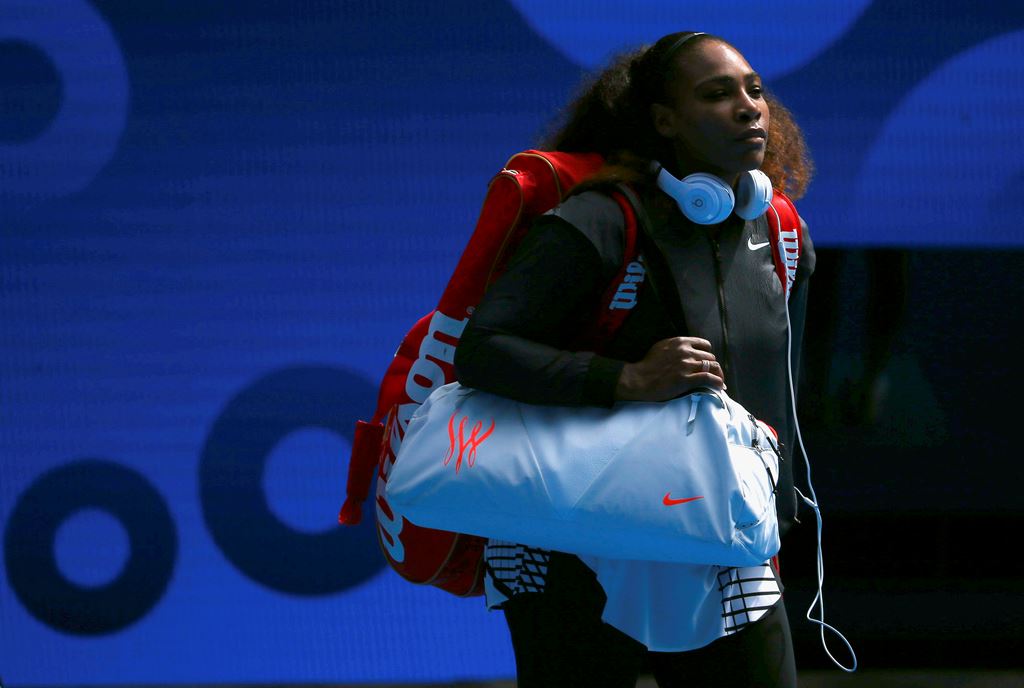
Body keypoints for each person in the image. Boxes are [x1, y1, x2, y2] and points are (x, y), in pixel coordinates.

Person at [453, 30, 815, 687]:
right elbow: (482, 351)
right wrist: (627, 378)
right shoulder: (599, 221)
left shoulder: (780, 230)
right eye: (716, 94)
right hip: (575, 535)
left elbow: (777, 393)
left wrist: (775, 513)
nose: (748, 106)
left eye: (754, 90)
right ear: (663, 120)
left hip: (718, 536)